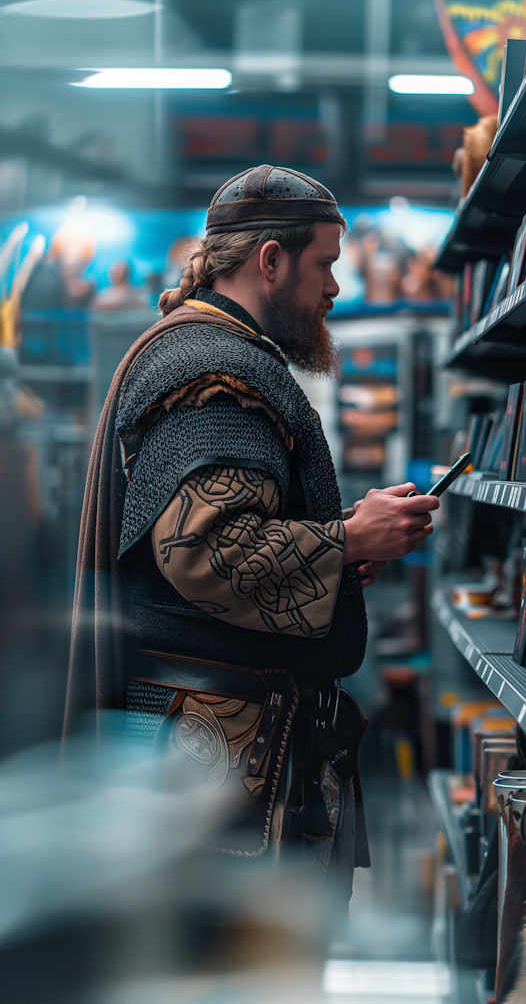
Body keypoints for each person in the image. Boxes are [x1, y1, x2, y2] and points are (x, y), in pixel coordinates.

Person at [65, 165, 438, 900]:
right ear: (271, 259)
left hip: (216, 746)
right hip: (223, 754)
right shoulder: (219, 372)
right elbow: (205, 552)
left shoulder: (204, 349)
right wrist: (350, 540)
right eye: (325, 264)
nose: (335, 287)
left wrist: (328, 549)